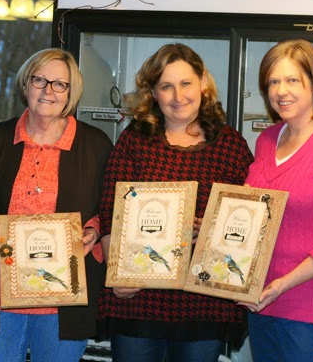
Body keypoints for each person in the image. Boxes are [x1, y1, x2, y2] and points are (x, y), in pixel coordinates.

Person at [98, 43, 254, 362]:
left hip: (204, 301)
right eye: (166, 86)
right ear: (153, 93)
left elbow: (250, 221)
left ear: (202, 84)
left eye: (186, 83)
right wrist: (118, 276)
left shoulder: (230, 145)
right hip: (139, 300)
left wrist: (213, 229)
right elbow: (109, 212)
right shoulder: (134, 140)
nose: (178, 96)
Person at [0, 48, 113, 362]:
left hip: (64, 301)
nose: (48, 91)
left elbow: (111, 208)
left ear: (71, 93)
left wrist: (93, 229)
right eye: (39, 80)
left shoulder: (96, 144)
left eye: (59, 84)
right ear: (25, 84)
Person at [241, 39, 313, 361]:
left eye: (292, 80)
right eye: (273, 82)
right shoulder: (266, 140)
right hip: (260, 300)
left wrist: (284, 283)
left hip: (308, 309)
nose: (281, 91)